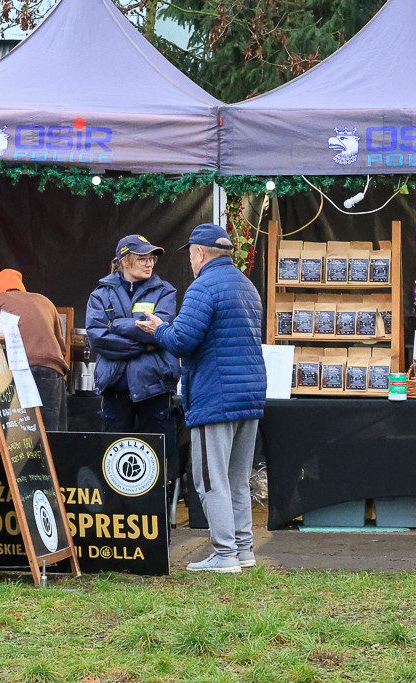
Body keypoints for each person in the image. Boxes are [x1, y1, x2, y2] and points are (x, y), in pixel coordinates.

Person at [137, 223, 267, 574]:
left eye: (191, 255)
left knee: (211, 480)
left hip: (215, 395)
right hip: (250, 393)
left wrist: (156, 328)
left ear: (199, 253)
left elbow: (183, 340)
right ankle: (244, 549)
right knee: (238, 479)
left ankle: (225, 555)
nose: (191, 261)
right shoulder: (247, 286)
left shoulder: (203, 286)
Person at [85, 235, 180, 476]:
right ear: (124, 261)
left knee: (156, 462)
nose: (150, 263)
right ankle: (118, 511)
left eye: (152, 258)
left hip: (155, 387)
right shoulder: (101, 293)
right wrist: (144, 345)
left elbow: (160, 329)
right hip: (115, 387)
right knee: (113, 461)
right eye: (142, 258)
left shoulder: (165, 291)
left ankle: (158, 513)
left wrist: (116, 325)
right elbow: (97, 338)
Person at [0, 268, 69, 430]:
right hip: (52, 369)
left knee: (19, 432)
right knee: (52, 432)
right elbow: (61, 347)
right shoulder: (45, 301)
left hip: (15, 370)